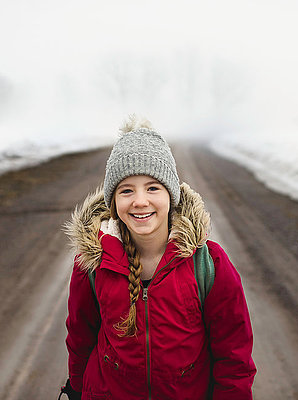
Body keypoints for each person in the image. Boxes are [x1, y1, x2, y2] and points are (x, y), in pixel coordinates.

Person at [62, 116, 256, 400]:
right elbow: (80, 340)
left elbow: (233, 357)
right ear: (113, 202)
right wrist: (77, 392)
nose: (140, 201)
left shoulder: (208, 264)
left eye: (153, 187)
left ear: (171, 194)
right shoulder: (92, 265)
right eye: (126, 190)